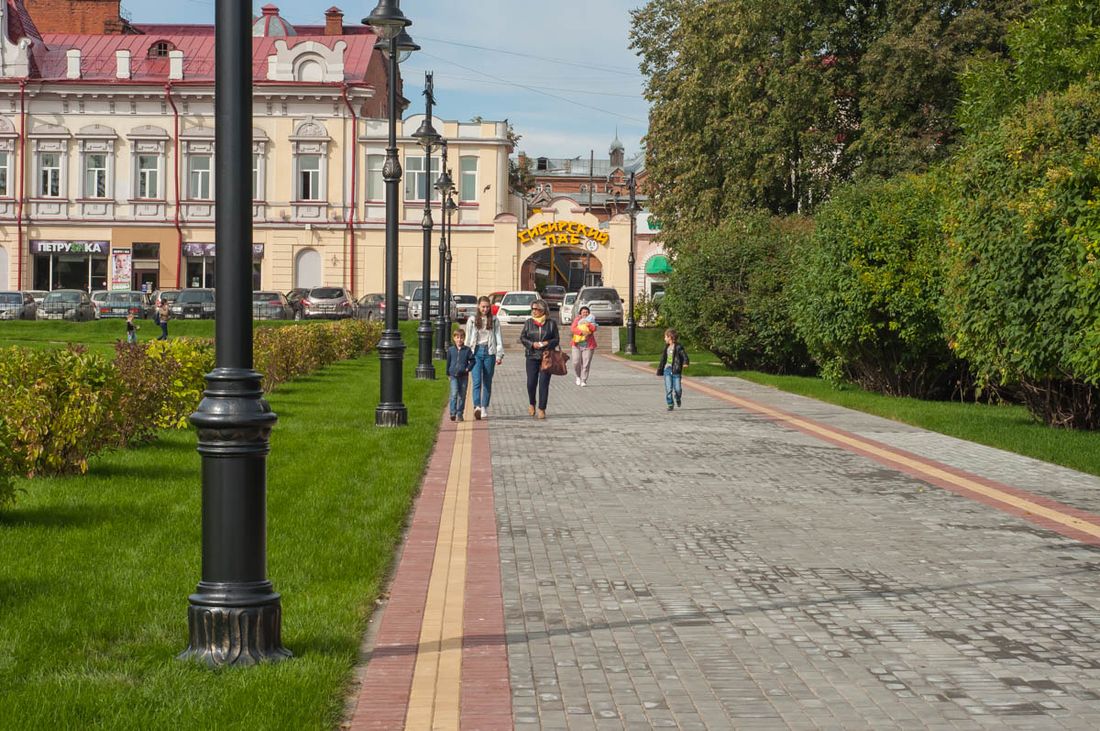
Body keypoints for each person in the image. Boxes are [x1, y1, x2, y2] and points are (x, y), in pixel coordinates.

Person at [464, 295, 505, 420]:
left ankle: (484, 407)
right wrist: (465, 355)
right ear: (478, 307)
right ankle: (477, 406)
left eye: (487, 307)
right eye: (483, 307)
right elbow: (467, 338)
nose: (485, 309)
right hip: (475, 351)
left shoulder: (494, 320)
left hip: (489, 352)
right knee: (476, 381)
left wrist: (499, 355)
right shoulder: (472, 320)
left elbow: (498, 338)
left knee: (487, 381)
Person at [519, 298, 560, 420]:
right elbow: (523, 337)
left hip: (546, 357)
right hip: (532, 356)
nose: (534, 311)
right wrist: (532, 344)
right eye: (533, 309)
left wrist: (547, 343)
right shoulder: (529, 322)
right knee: (531, 383)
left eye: (537, 309)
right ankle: (532, 403)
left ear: (544, 310)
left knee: (543, 383)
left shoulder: (551, 323)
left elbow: (556, 339)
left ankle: (542, 408)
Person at [656, 328, 690, 411]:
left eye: (665, 337)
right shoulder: (666, 347)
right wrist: (660, 369)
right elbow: (663, 359)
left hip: (676, 370)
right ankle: (670, 403)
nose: (664, 339)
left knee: (678, 389)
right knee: (669, 388)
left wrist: (685, 362)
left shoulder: (678, 347)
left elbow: (684, 356)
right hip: (667, 369)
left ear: (670, 337)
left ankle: (677, 398)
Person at [446, 328, 475, 422]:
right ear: (454, 338)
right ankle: (452, 412)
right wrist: (448, 373)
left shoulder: (467, 350)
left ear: (464, 339)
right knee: (454, 393)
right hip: (453, 375)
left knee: (462, 395)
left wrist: (467, 368)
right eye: (457, 337)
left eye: (461, 337)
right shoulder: (451, 350)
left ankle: (460, 413)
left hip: (463, 376)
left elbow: (473, 360)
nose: (459, 340)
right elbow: (448, 362)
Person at [570, 305, 598, 387]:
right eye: (583, 312)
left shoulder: (592, 320)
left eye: (586, 312)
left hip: (588, 346)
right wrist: (582, 333)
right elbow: (573, 329)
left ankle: (584, 380)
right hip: (576, 345)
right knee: (576, 362)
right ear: (580, 313)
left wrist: (588, 324)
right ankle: (578, 376)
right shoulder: (577, 319)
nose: (585, 313)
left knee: (586, 364)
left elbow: (594, 329)